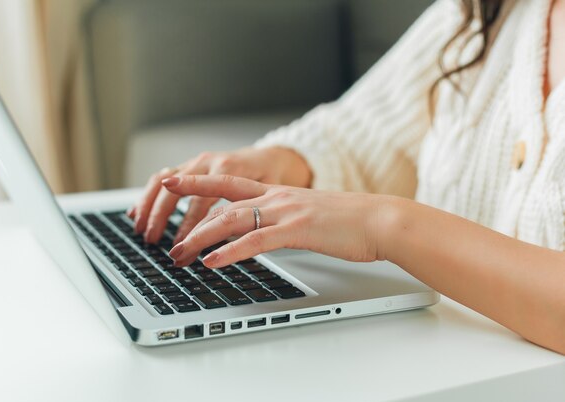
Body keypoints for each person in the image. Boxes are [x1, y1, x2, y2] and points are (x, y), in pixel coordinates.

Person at [128, 0, 565, 355]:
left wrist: (387, 225)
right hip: (435, 357)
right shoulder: (484, 11)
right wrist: (278, 163)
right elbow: (359, 134)